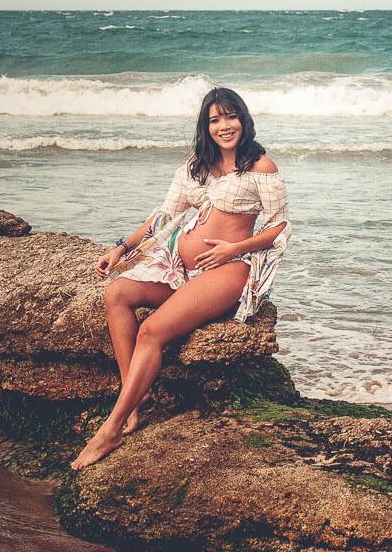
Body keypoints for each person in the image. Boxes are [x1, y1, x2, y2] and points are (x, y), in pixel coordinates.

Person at [70, 87, 290, 470]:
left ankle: (111, 428)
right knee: (117, 292)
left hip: (228, 270)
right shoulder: (196, 165)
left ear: (244, 119)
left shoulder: (261, 167)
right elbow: (162, 216)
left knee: (152, 331)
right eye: (215, 119)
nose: (225, 126)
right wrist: (121, 248)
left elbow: (280, 228)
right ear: (206, 126)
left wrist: (232, 250)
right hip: (180, 268)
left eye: (231, 116)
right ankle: (133, 401)